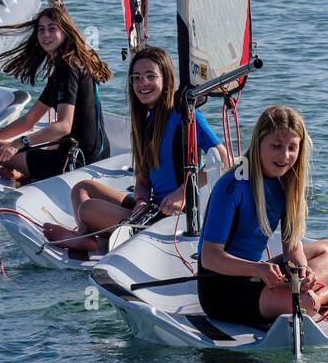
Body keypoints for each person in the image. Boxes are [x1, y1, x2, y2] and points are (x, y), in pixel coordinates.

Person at [42, 44, 227, 252]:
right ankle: (90, 237)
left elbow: (223, 160)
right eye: (136, 78)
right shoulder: (146, 121)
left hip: (171, 218)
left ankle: (92, 242)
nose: (142, 83)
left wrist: (182, 194)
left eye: (150, 76)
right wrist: (139, 200)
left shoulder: (184, 116)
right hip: (148, 210)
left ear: (165, 79)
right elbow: (142, 179)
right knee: (82, 188)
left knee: (88, 208)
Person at [198, 104, 328, 327]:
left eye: (292, 148)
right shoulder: (232, 186)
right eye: (276, 146)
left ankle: (307, 290)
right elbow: (209, 258)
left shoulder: (285, 185)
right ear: (259, 144)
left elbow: (292, 249)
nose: (284, 156)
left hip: (258, 275)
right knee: (304, 303)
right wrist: (257, 268)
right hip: (221, 289)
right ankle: (323, 295)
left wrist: (303, 271)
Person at [0, 6, 112, 184]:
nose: (45, 34)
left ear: (65, 31)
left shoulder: (66, 68)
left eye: (52, 28)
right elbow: (28, 120)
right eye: (41, 29)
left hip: (77, 162)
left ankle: (28, 174)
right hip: (98, 154)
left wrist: (17, 143)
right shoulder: (69, 64)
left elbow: (64, 126)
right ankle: (24, 174)